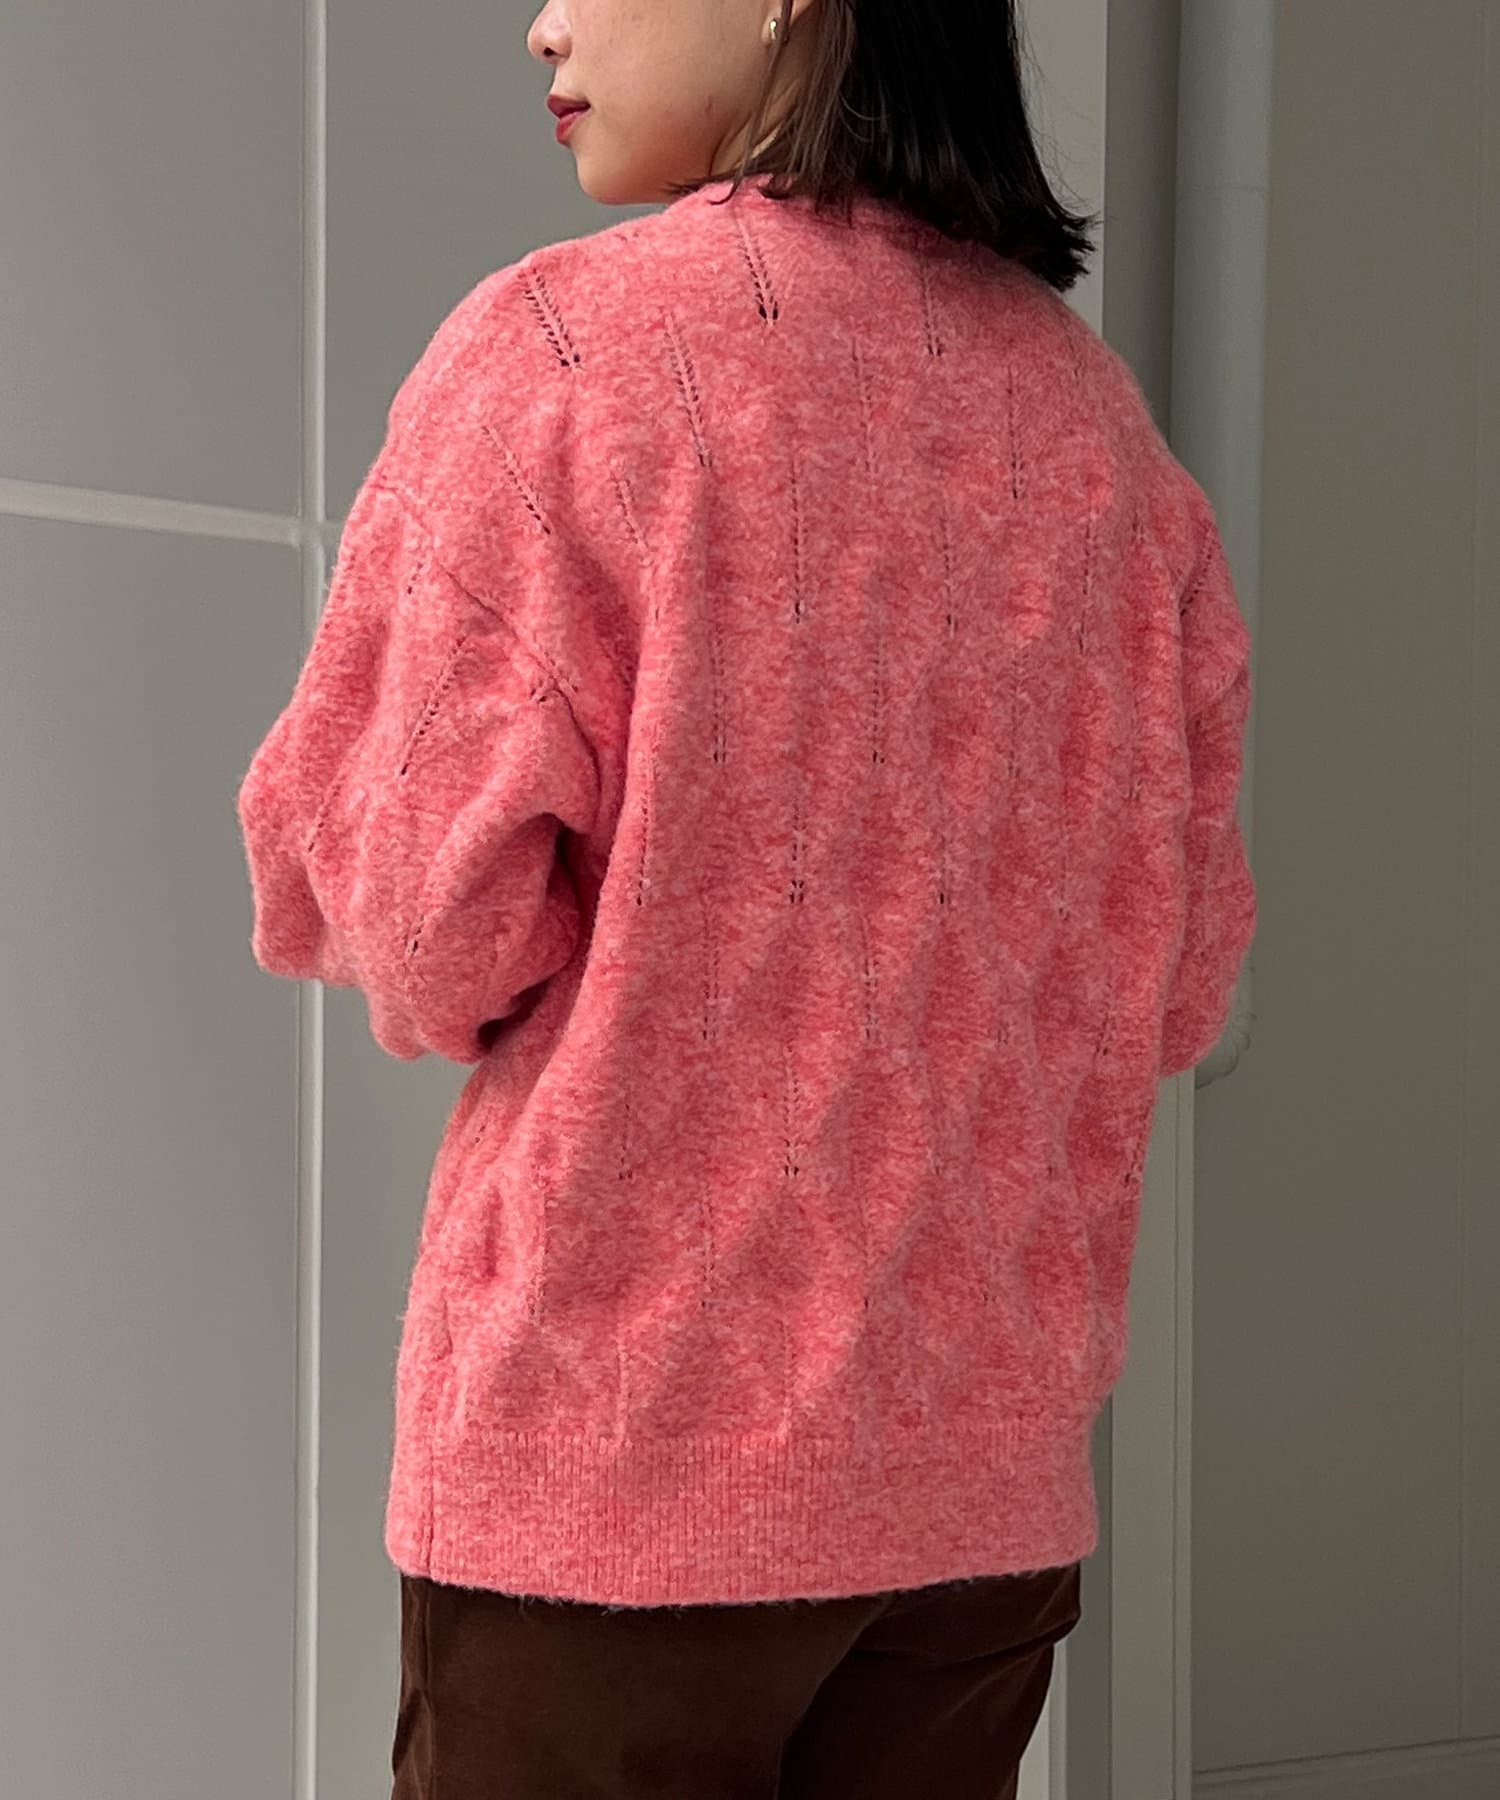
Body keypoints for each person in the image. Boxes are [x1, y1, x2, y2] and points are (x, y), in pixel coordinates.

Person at [234, 0, 1257, 1793]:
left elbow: (418, 920)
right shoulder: (1100, 432)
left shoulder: (567, 352)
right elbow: (1175, 980)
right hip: (978, 1509)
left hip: (620, 1495)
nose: (542, 24)